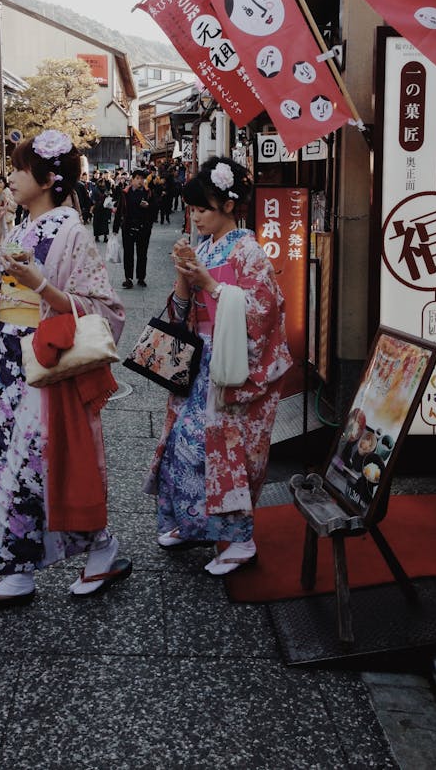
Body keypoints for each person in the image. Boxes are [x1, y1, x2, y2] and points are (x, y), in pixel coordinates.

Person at [0, 129, 130, 613]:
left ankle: (101, 549)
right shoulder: (16, 228)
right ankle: (13, 570)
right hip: (8, 364)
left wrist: (42, 287)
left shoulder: (71, 230)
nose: (10, 177)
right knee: (3, 461)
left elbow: (105, 310)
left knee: (49, 464)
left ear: (48, 177)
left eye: (17, 168)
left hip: (46, 363)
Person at [143, 157, 292, 575]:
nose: (195, 216)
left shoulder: (250, 252)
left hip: (232, 367)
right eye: (192, 209)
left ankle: (240, 540)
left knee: (227, 453)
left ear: (228, 206)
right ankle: (194, 525)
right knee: (182, 446)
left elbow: (264, 312)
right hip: (201, 363)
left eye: (202, 208)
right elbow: (182, 312)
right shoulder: (206, 248)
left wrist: (210, 284)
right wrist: (183, 278)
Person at [112, 169, 154, 289]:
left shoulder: (148, 193)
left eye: (142, 179)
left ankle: (141, 278)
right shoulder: (125, 193)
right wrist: (115, 229)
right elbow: (119, 210)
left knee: (142, 254)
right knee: (128, 254)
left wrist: (148, 206)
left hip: (143, 228)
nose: (141, 181)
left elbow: (156, 209)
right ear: (132, 180)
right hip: (128, 227)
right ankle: (128, 278)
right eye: (138, 178)